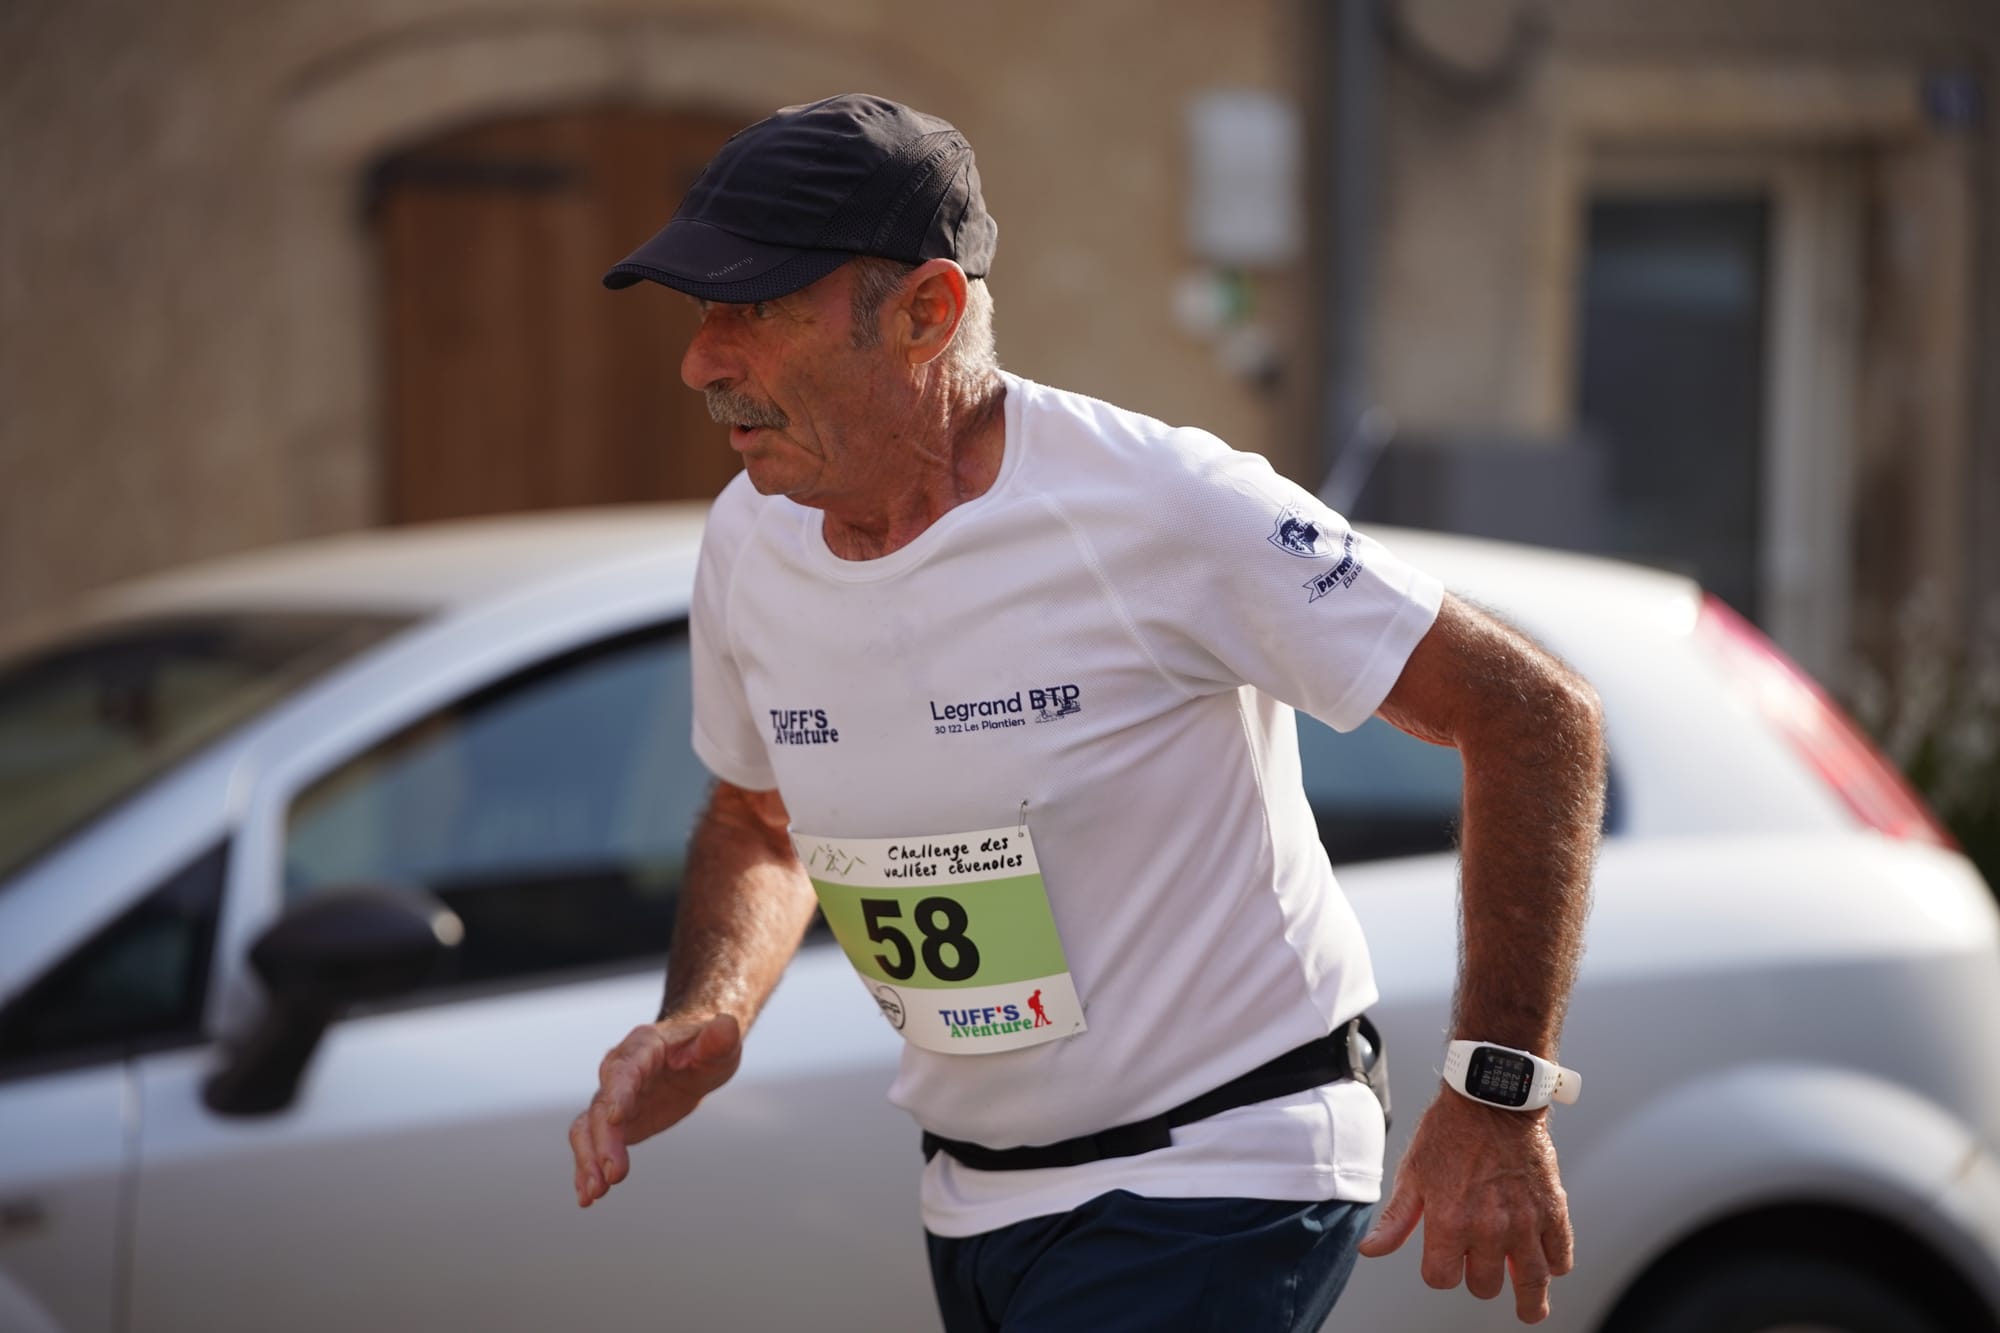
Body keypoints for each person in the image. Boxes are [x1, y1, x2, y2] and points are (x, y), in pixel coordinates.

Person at [570, 93, 1605, 1331]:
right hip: (974, 1195)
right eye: (700, 311)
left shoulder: (1163, 503)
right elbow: (758, 817)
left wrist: (1495, 1091)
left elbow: (1532, 715)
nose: (701, 360)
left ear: (924, 312)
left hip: (1222, 1165)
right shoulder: (749, 537)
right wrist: (710, 1010)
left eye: (752, 308)